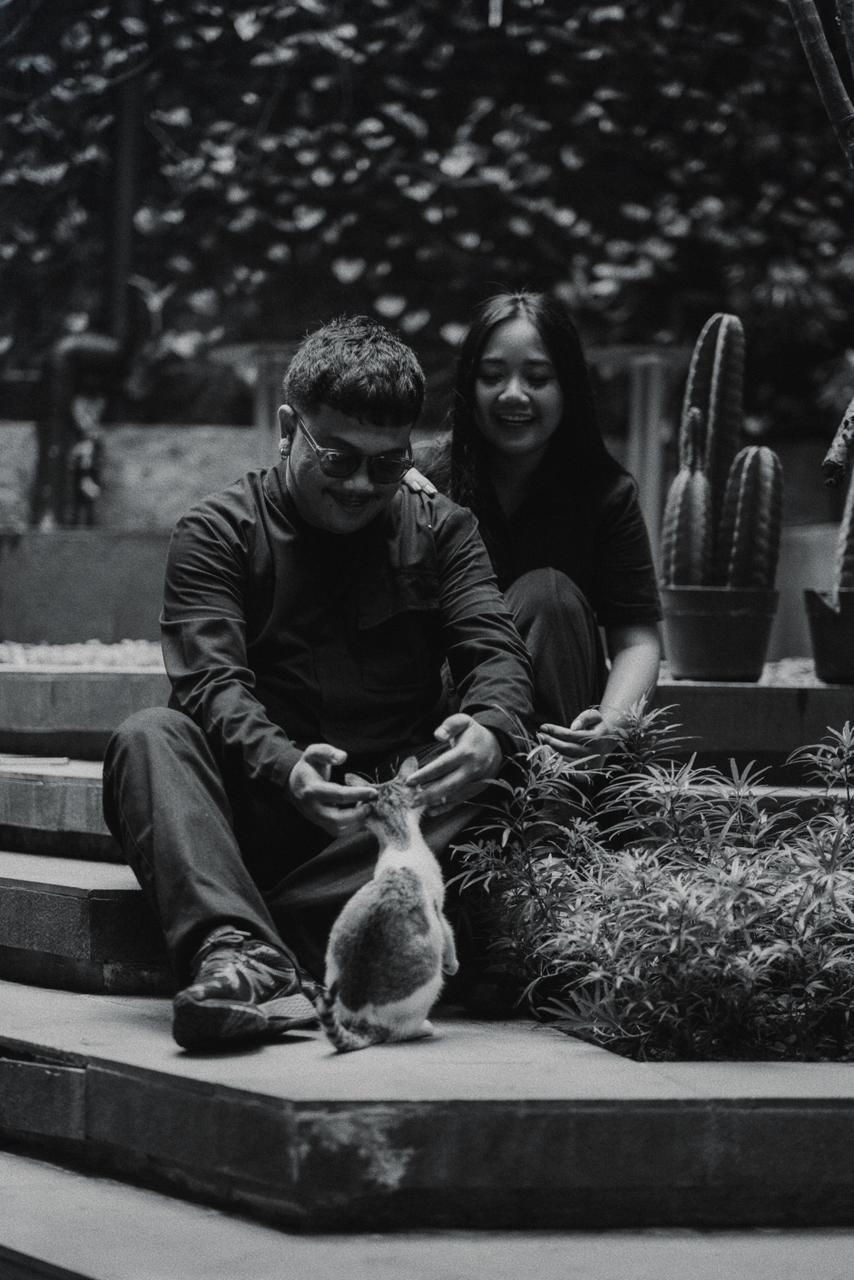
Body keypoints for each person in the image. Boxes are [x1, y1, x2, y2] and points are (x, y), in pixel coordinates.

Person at [102, 316, 534, 1051]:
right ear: (286, 429)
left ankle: (262, 942)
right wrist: (288, 768)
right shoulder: (216, 530)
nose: (362, 484)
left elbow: (495, 648)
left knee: (511, 752)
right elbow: (211, 686)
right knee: (149, 736)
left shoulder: (443, 529)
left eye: (388, 464)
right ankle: (245, 947)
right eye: (337, 458)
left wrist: (490, 728)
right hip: (265, 811)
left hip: (399, 820)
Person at [407, 291, 661, 768]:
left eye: (538, 378)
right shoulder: (420, 479)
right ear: (469, 384)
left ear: (568, 386)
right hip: (445, 720)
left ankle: (549, 802)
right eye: (492, 376)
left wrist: (611, 724)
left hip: (564, 734)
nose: (513, 394)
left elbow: (637, 641)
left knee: (549, 597)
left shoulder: (605, 493)